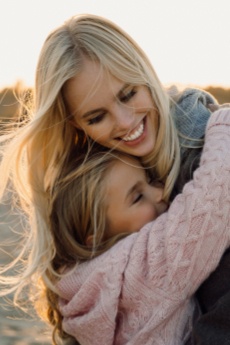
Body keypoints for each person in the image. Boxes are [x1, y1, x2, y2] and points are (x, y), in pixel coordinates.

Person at [0, 13, 228, 344]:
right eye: (96, 117)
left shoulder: (201, 149)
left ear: (144, 72)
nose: (123, 122)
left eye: (128, 94)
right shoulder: (88, 189)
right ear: (76, 124)